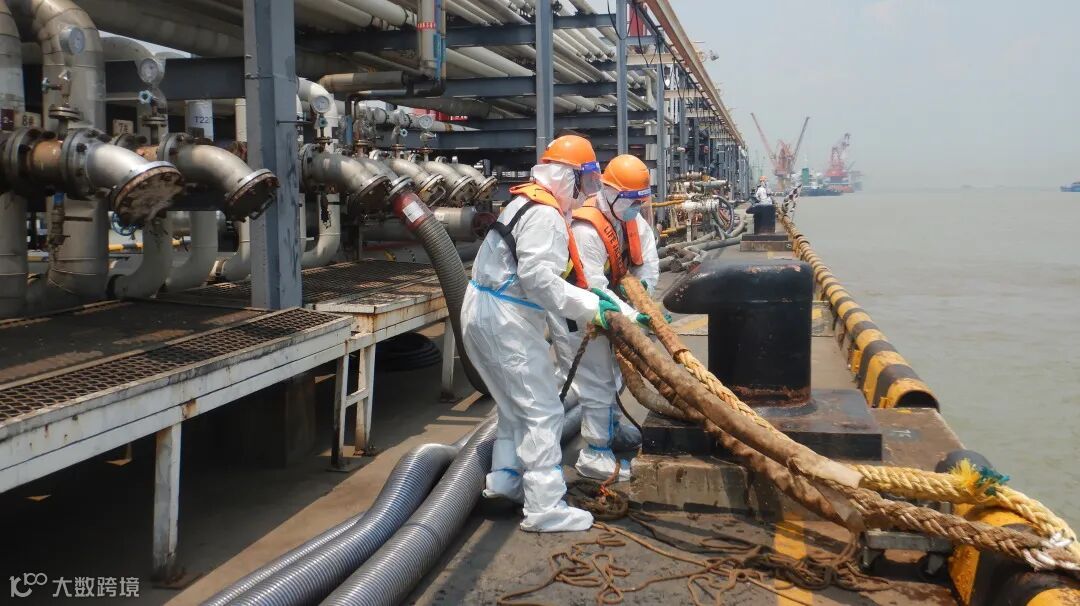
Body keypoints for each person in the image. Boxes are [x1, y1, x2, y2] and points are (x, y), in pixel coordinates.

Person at [461, 135, 644, 532]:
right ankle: (545, 508)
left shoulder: (526, 202)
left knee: (513, 407)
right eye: (585, 181)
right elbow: (540, 281)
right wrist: (594, 308)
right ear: (569, 177)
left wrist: (602, 302)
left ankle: (505, 481)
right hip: (505, 318)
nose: (586, 192)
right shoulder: (546, 215)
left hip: (484, 310)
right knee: (543, 410)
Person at [549, 154, 660, 482]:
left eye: (639, 201)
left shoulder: (631, 220)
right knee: (595, 380)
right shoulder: (586, 229)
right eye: (630, 201)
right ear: (608, 192)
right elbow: (593, 287)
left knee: (613, 374)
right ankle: (595, 453)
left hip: (612, 310)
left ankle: (611, 428)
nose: (635, 208)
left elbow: (648, 263)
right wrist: (632, 315)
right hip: (579, 313)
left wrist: (643, 294)